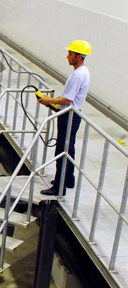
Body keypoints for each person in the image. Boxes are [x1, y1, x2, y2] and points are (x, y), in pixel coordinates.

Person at [39, 40, 91, 196]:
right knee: (69, 148)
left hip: (69, 116)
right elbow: (68, 97)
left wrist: (50, 100)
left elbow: (68, 99)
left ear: (79, 56)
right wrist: (52, 101)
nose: (67, 56)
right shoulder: (82, 72)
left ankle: (59, 187)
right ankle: (68, 179)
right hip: (71, 114)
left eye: (70, 54)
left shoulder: (78, 75)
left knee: (62, 150)